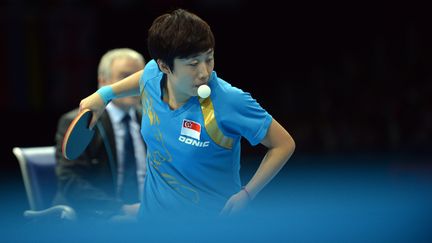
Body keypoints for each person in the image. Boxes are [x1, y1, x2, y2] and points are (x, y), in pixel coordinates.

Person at [79, 9, 295, 219]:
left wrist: (248, 194)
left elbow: (283, 143)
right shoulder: (153, 76)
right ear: (164, 66)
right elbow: (144, 76)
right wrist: (104, 95)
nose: (204, 73)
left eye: (209, 59)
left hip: (208, 227)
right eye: (193, 64)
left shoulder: (229, 100)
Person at [53, 48, 146, 220]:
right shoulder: (78, 122)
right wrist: (120, 209)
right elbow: (70, 180)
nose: (134, 85)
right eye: (125, 76)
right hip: (100, 216)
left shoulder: (152, 121)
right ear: (103, 81)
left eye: (138, 78)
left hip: (147, 215)